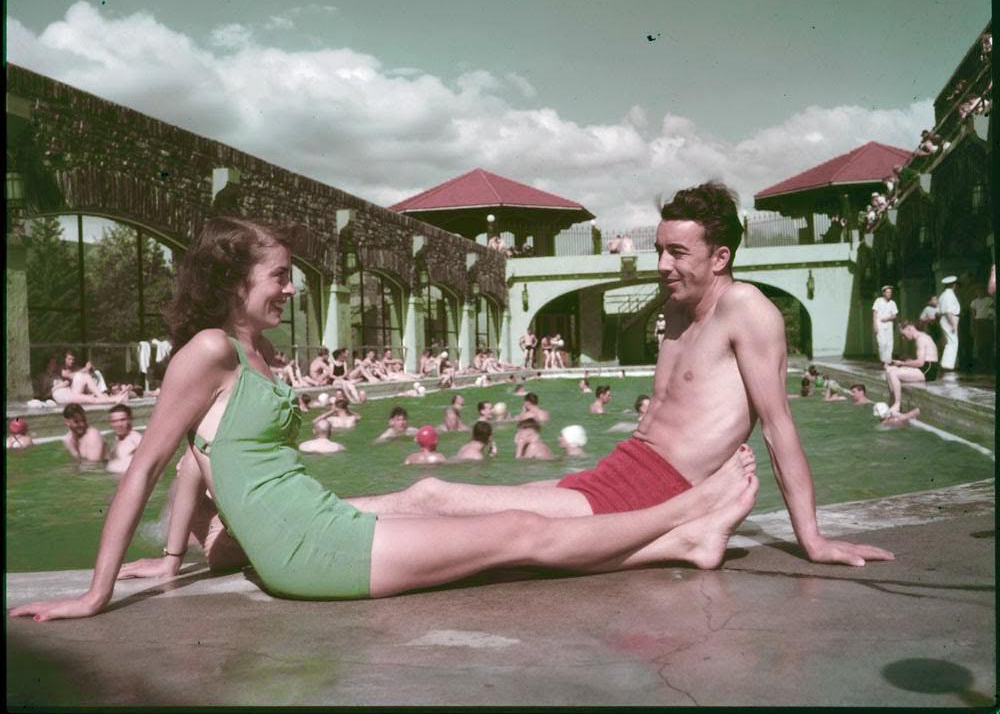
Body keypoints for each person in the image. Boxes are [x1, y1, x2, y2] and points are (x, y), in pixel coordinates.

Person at [12, 217, 762, 622]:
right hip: (310, 551)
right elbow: (149, 464)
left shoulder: (254, 352)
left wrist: (175, 556)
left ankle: (678, 537)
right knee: (519, 534)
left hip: (315, 525)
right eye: (279, 276)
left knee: (471, 515)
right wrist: (96, 594)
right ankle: (686, 520)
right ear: (233, 280)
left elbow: (196, 459)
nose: (290, 288)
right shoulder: (209, 350)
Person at [342, 181, 893, 569]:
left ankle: (306, 525)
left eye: (678, 252)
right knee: (475, 500)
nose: (662, 264)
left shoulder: (746, 309)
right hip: (622, 471)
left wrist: (812, 540)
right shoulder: (677, 309)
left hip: (658, 491)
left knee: (438, 497)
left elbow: (778, 427)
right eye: (659, 250)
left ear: (721, 257)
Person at [884, 320, 940, 414]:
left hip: (928, 370)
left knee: (894, 374)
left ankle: (897, 405)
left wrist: (902, 363)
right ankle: (892, 403)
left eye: (903, 334)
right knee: (889, 370)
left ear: (909, 329)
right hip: (925, 367)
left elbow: (920, 363)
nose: (903, 338)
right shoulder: (921, 337)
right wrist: (906, 361)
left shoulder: (921, 339)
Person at [106, 404, 142, 474]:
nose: (119, 424)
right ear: (110, 423)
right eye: (114, 421)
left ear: (130, 420)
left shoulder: (136, 440)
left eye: (123, 420)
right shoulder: (118, 438)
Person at [937, 275, 961, 375]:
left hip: (947, 319)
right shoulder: (948, 295)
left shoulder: (944, 294)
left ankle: (950, 364)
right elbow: (948, 311)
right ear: (954, 285)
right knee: (952, 342)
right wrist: (953, 325)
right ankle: (947, 365)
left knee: (951, 342)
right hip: (949, 319)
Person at [969, 285, 995, 372]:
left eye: (981, 290)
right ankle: (982, 364)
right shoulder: (974, 302)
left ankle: (989, 364)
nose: (979, 292)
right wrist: (972, 326)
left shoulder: (989, 300)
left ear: (984, 291)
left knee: (988, 343)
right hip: (978, 323)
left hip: (987, 322)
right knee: (980, 345)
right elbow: (973, 315)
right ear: (975, 292)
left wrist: (989, 319)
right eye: (977, 291)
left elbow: (992, 311)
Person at [871, 285, 898, 366]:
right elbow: (874, 313)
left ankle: (888, 361)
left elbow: (894, 315)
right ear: (883, 293)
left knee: (889, 343)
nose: (889, 294)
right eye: (887, 292)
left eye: (890, 292)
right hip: (880, 324)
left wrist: (887, 319)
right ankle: (883, 360)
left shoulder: (892, 303)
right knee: (882, 343)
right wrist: (875, 324)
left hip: (889, 324)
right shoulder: (878, 301)